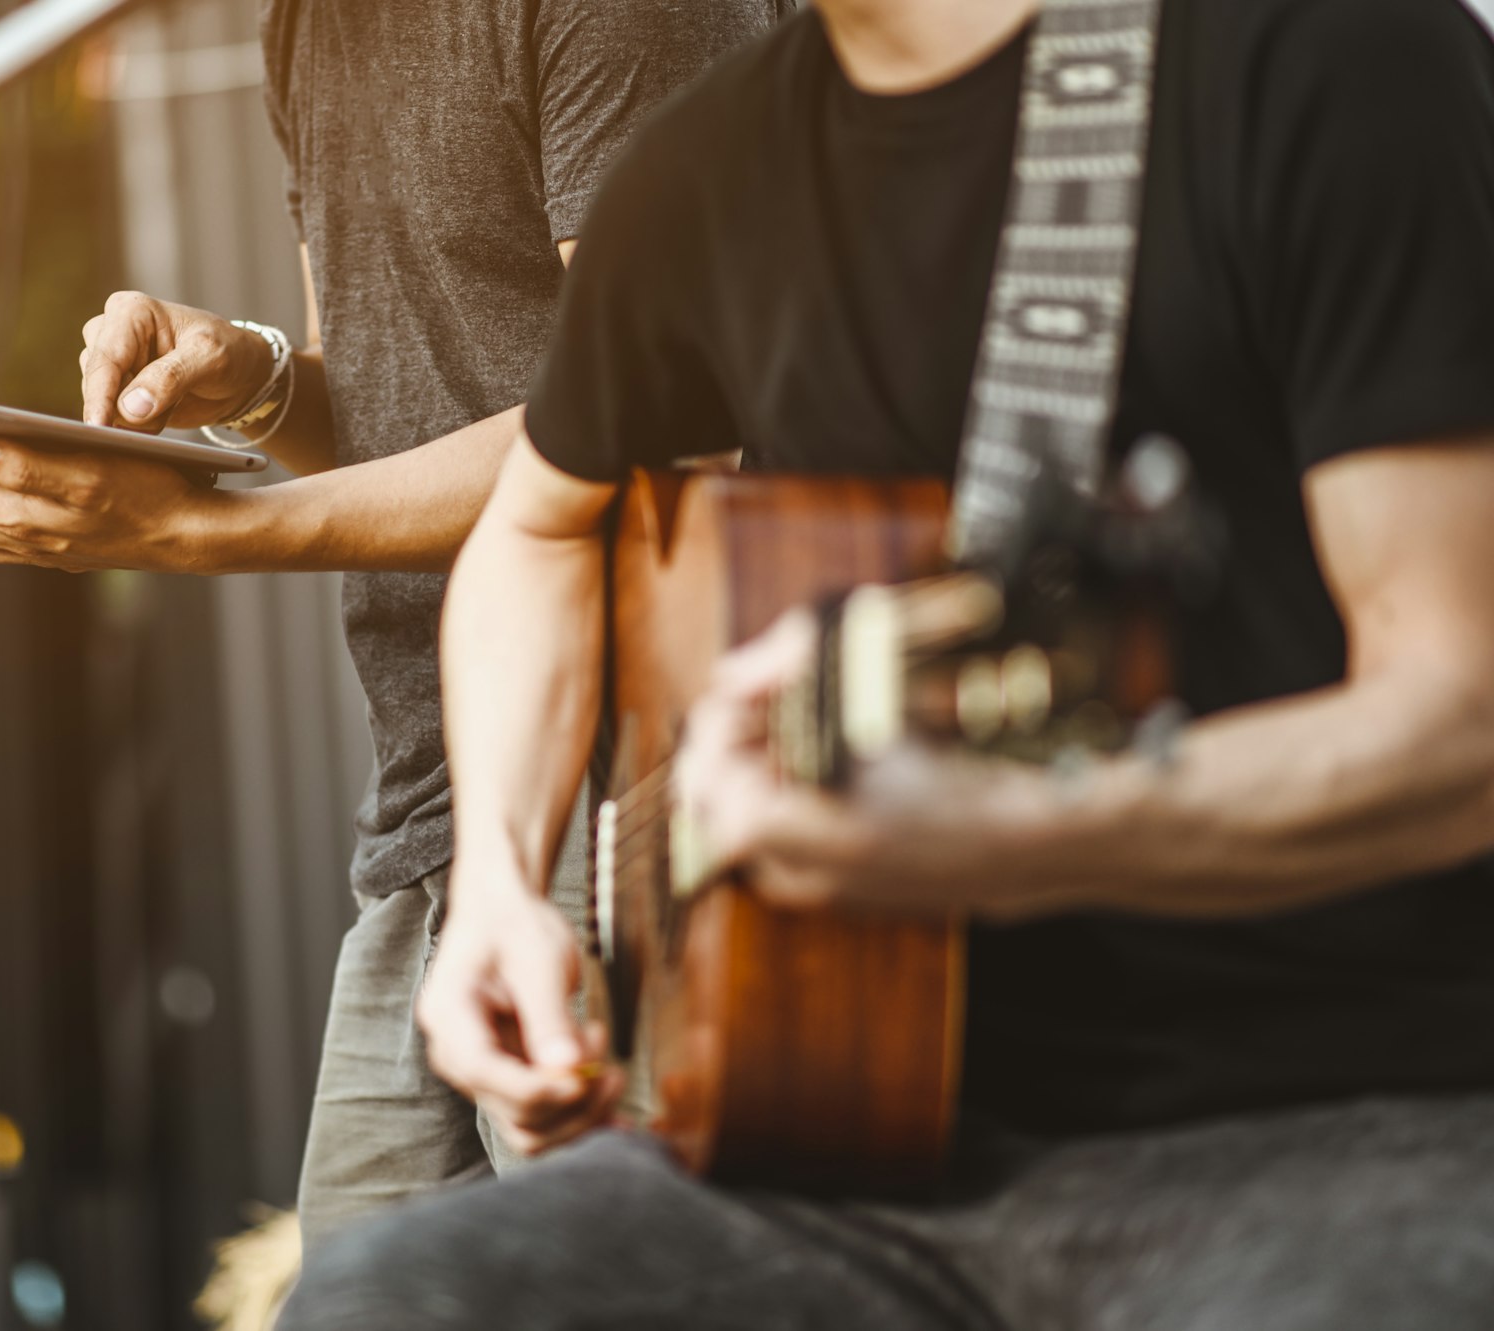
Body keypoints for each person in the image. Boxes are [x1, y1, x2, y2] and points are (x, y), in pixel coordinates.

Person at [278, 0, 1494, 1324]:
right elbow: (539, 524)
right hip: (858, 1138)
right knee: (395, 1293)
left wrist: (1021, 824)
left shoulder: (1329, 51)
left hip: (1353, 1116)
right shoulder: (709, 167)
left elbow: (1465, 715)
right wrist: (508, 881)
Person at [0, 0, 789, 1240]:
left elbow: (662, 413)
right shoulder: (302, 26)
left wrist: (200, 535)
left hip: (637, 805)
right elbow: (404, 404)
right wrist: (257, 383)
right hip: (431, 820)